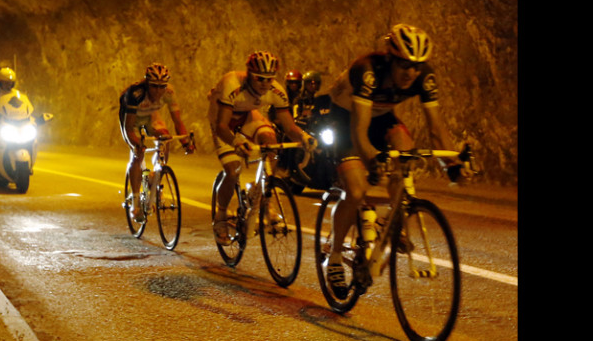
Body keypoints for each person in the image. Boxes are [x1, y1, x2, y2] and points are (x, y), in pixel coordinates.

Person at [322, 24, 463, 299]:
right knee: (357, 190)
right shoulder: (367, 71)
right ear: (390, 59)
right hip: (346, 121)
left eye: (416, 66)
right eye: (403, 65)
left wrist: (453, 164)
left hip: (383, 118)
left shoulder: (424, 76)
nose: (410, 72)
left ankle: (395, 223)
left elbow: (436, 128)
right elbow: (360, 132)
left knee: (406, 153)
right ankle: (335, 256)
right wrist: (373, 161)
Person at [207, 51, 314, 244]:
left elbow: (289, 126)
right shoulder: (232, 84)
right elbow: (222, 126)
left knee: (270, 139)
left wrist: (305, 137)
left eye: (269, 79)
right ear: (248, 74)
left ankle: (263, 196)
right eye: (259, 79)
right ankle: (220, 218)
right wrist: (237, 143)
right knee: (233, 171)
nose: (265, 84)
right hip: (222, 120)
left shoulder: (276, 90)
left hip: (248, 115)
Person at [119, 63, 195, 223]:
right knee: (138, 153)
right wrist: (137, 143)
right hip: (131, 118)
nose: (158, 91)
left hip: (150, 115)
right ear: (147, 83)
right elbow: (129, 128)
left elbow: (177, 121)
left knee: (165, 137)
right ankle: (135, 201)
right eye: (154, 86)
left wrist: (185, 141)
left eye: (162, 87)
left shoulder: (169, 92)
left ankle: (156, 175)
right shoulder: (136, 93)